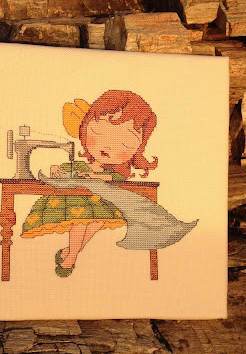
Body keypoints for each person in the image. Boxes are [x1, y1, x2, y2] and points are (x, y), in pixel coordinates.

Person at [21, 90, 158, 276]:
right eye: (98, 132)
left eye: (124, 143)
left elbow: (117, 178)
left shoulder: (111, 173)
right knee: (82, 218)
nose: (108, 146)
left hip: (101, 204)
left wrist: (97, 177)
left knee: (96, 220)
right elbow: (68, 171)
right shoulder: (80, 166)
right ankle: (71, 256)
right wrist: (56, 169)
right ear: (85, 128)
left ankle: (72, 253)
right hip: (78, 203)